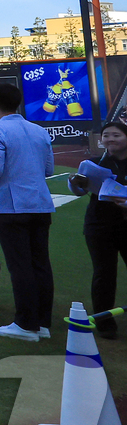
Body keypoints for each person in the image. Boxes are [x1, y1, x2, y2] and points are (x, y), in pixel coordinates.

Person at [0, 82, 56, 342]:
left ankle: (25, 324)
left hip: (12, 206)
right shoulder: (39, 130)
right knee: (40, 264)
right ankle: (42, 322)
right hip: (40, 204)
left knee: (20, 265)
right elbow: (49, 169)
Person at [67, 120, 127, 339]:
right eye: (106, 135)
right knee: (104, 273)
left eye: (116, 135)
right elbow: (80, 192)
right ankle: (104, 322)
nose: (110, 139)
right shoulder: (93, 164)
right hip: (99, 225)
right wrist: (75, 183)